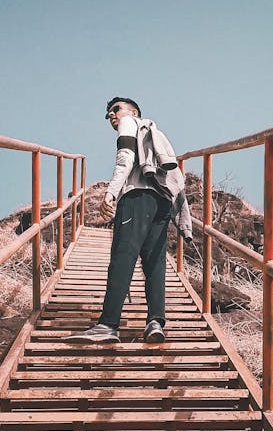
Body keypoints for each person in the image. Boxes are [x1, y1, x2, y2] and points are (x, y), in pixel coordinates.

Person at [68, 97, 192, 344]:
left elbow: (125, 159)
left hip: (136, 197)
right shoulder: (154, 131)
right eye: (108, 114)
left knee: (122, 259)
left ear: (132, 111)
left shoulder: (129, 123)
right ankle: (155, 322)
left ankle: (108, 324)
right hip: (162, 201)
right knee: (154, 263)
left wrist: (111, 192)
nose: (111, 116)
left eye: (115, 109)